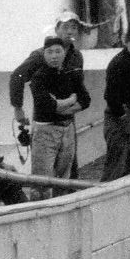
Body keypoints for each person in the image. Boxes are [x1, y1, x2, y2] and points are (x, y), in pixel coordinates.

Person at [15, 35, 91, 182]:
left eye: (58, 51)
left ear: (64, 52)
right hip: (45, 133)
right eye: (49, 52)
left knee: (64, 178)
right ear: (44, 54)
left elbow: (85, 100)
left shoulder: (71, 73)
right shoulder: (38, 78)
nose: (54, 56)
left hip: (67, 130)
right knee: (42, 180)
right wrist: (71, 100)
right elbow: (48, 106)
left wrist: (63, 109)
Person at [101, 20, 130, 181]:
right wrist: (123, 118)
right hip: (118, 117)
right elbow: (111, 97)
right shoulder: (118, 63)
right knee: (116, 165)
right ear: (126, 41)